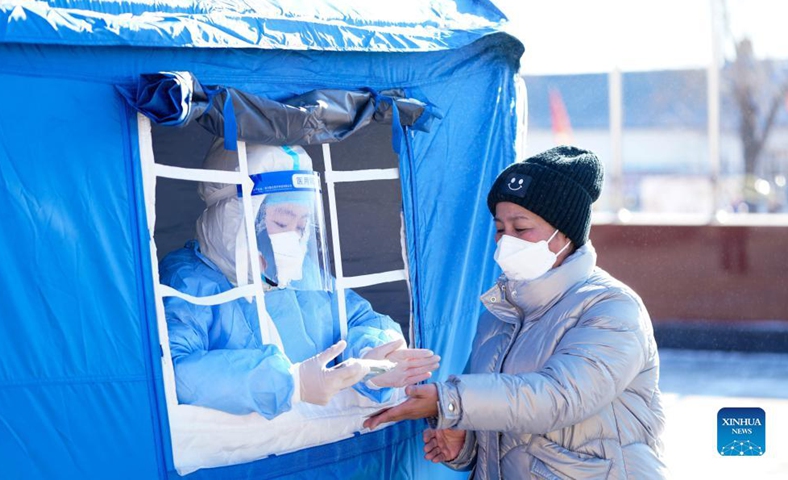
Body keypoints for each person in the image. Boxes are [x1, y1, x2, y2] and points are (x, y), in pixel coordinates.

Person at [364, 146, 668, 479]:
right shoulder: (500, 314)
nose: (506, 240)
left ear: (564, 234)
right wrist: (463, 443)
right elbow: (502, 421)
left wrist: (448, 401)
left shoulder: (611, 308)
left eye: (521, 229)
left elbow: (558, 399)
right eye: (499, 228)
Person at [160, 139, 439, 419]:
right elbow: (176, 371)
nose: (293, 237)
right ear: (233, 216)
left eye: (302, 225)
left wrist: (374, 361)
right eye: (281, 222)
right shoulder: (189, 279)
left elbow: (357, 317)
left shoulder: (301, 273)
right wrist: (291, 383)